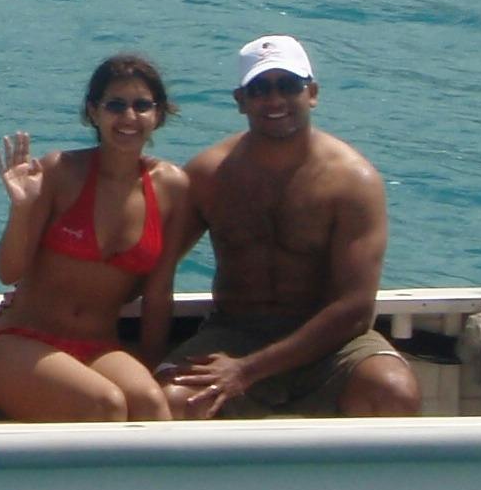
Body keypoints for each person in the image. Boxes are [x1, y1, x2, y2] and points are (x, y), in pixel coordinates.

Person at [163, 33, 421, 420]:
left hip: (333, 345)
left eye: (288, 86)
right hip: (234, 334)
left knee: (392, 391)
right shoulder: (208, 175)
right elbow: (152, 265)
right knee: (170, 401)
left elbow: (354, 310)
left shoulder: (353, 180)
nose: (275, 100)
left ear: (312, 93)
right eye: (260, 89)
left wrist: (247, 371)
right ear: (240, 101)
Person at [0, 53, 193, 422]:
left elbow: (158, 295)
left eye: (142, 105)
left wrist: (151, 368)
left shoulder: (172, 187)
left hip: (99, 348)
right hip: (25, 340)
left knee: (152, 406)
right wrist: (22, 210)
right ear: (93, 112)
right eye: (115, 105)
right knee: (105, 404)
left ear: (158, 114)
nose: (129, 117)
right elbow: (8, 271)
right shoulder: (59, 172)